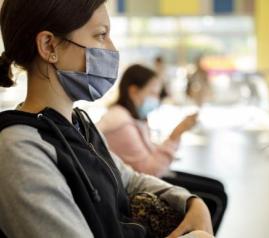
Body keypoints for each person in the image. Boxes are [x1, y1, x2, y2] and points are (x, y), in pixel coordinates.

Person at [0, 1, 214, 238]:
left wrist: (191, 202)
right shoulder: (19, 148)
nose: (112, 49)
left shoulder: (80, 125)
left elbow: (129, 180)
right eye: (101, 35)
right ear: (49, 45)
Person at [97, 64, 227, 234]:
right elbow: (149, 171)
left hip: (150, 176)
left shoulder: (132, 117)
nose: (157, 99)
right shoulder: (120, 124)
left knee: (217, 186)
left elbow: (148, 156)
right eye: (152, 93)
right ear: (134, 91)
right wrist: (177, 133)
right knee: (215, 198)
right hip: (140, 186)